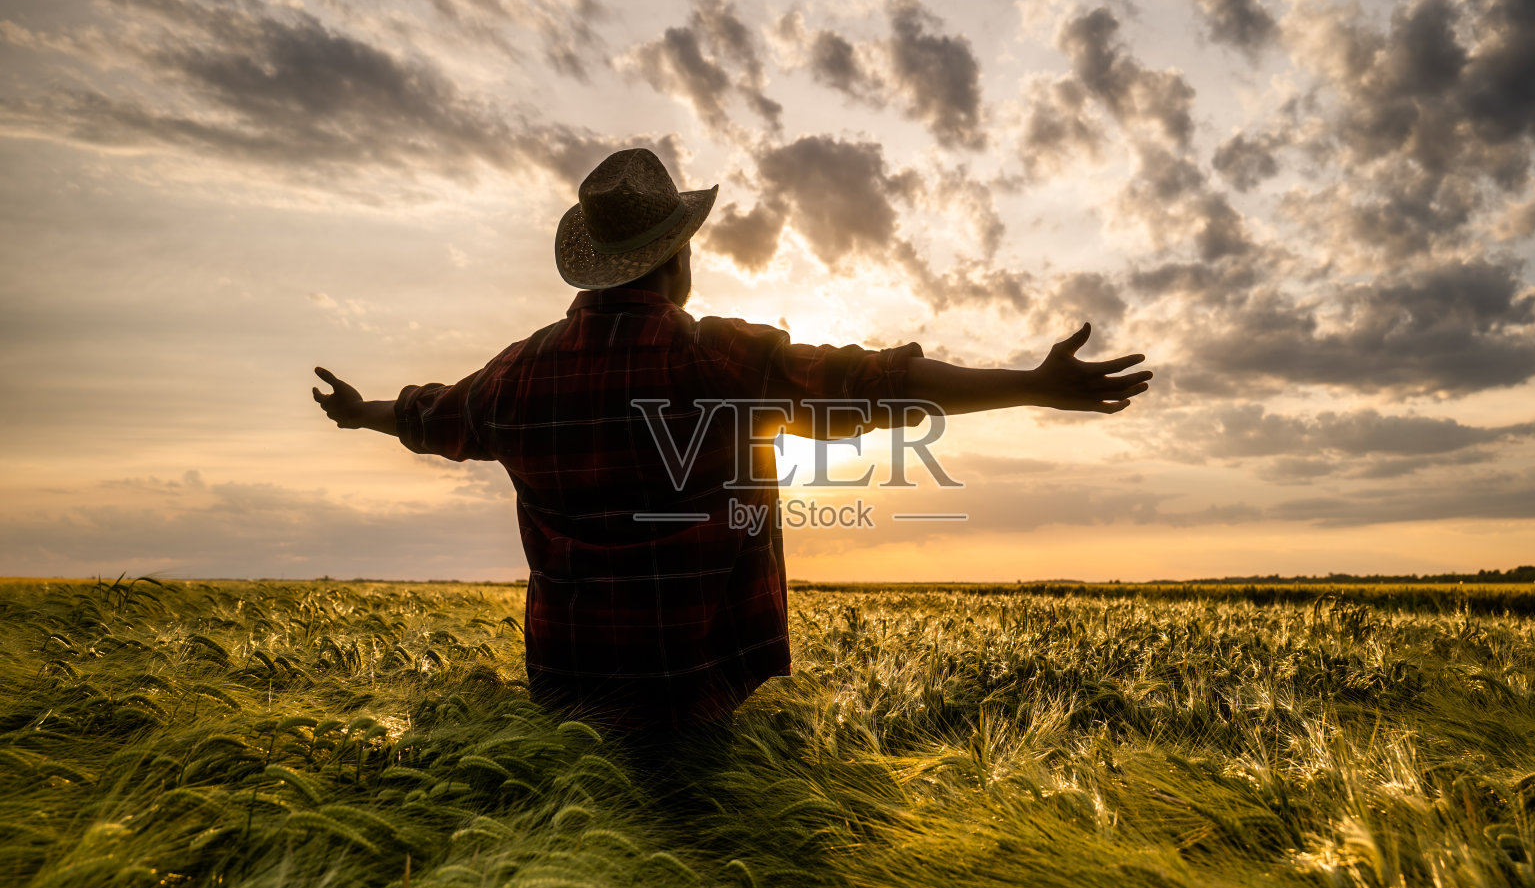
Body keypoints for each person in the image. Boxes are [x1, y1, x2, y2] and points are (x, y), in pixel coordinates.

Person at [313, 148, 1151, 732]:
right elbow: (879, 385)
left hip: (570, 696)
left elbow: (429, 416)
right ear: (677, 259)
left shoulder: (515, 377)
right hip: (699, 696)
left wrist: (361, 414)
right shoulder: (714, 355)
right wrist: (1031, 385)